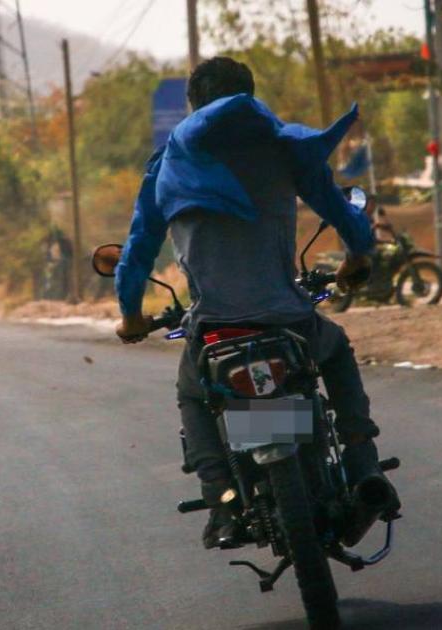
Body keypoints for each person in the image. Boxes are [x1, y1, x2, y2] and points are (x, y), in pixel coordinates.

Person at [112, 57, 399, 549]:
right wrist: (356, 260)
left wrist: (131, 316)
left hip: (214, 331)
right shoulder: (285, 150)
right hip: (289, 320)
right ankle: (361, 464)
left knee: (192, 393)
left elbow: (137, 252)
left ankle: (221, 501)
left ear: (194, 105)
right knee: (336, 349)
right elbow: (342, 214)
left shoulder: (167, 168)